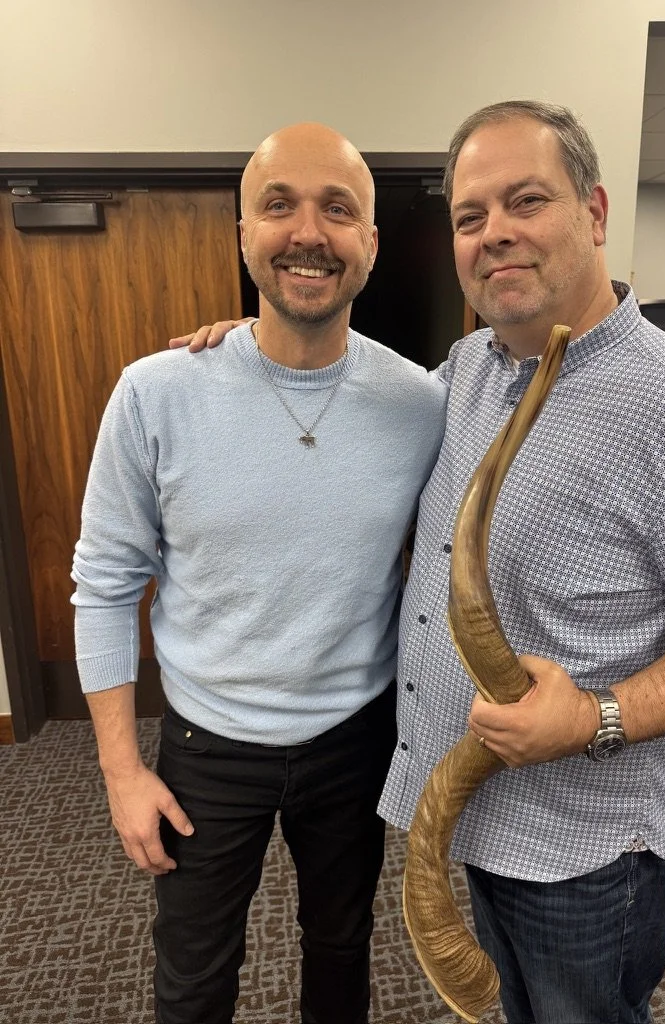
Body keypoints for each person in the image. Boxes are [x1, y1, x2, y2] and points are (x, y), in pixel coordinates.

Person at [182, 101, 665, 1024]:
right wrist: (259, 343)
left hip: (582, 855)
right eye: (469, 216)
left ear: (596, 212)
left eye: (526, 201)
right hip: (465, 826)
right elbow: (342, 386)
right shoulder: (466, 371)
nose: (495, 233)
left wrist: (597, 715)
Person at [71, 122, 446, 1024]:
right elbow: (105, 586)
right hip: (206, 746)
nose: (307, 232)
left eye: (337, 209)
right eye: (278, 205)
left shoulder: (424, 405)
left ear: (370, 244)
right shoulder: (157, 392)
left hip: (356, 738)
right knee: (194, 981)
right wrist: (122, 771)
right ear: (243, 234)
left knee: (341, 955)